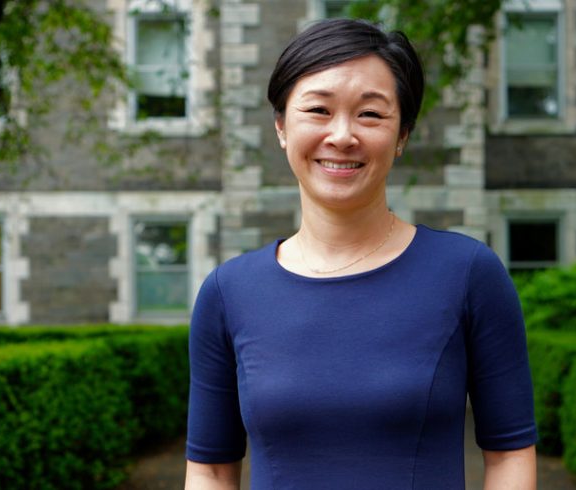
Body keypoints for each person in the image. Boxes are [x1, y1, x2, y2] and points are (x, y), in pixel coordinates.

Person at [185, 18, 537, 490]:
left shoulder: (467, 273)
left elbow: (511, 453)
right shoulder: (229, 292)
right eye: (318, 110)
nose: (343, 135)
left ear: (402, 136)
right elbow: (209, 470)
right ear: (282, 126)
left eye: (370, 114)